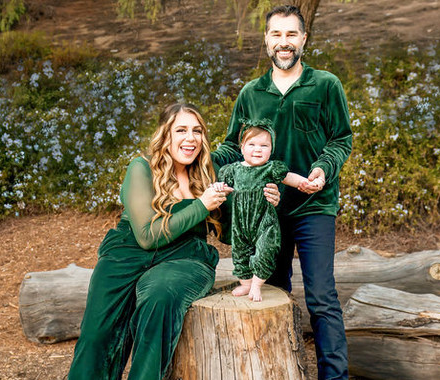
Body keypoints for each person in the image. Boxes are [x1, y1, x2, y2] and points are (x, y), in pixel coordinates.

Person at [212, 5, 353, 379]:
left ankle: (334, 376)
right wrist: (200, 161)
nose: (284, 42)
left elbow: (341, 139)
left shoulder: (325, 84)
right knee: (271, 295)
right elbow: (231, 146)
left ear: (304, 39)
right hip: (263, 212)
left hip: (313, 205)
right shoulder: (251, 93)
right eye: (277, 35)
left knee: (322, 298)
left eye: (291, 34)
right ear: (266, 40)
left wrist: (323, 168)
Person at [67, 103, 234, 380]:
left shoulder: (209, 172)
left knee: (160, 298)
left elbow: (227, 233)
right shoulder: (142, 168)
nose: (190, 138)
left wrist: (262, 203)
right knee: (97, 336)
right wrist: (201, 205)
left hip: (184, 257)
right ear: (165, 135)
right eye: (181, 130)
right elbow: (146, 236)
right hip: (128, 252)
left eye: (197, 131)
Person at [215, 120, 314, 302]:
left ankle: (257, 284)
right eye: (251, 144)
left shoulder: (270, 168)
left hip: (264, 222)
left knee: (266, 250)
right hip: (241, 224)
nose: (257, 149)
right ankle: (245, 283)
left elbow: (288, 177)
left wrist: (304, 182)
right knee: (240, 252)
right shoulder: (233, 170)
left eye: (264, 145)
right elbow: (223, 185)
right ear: (242, 148)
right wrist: (219, 187)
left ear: (271, 149)